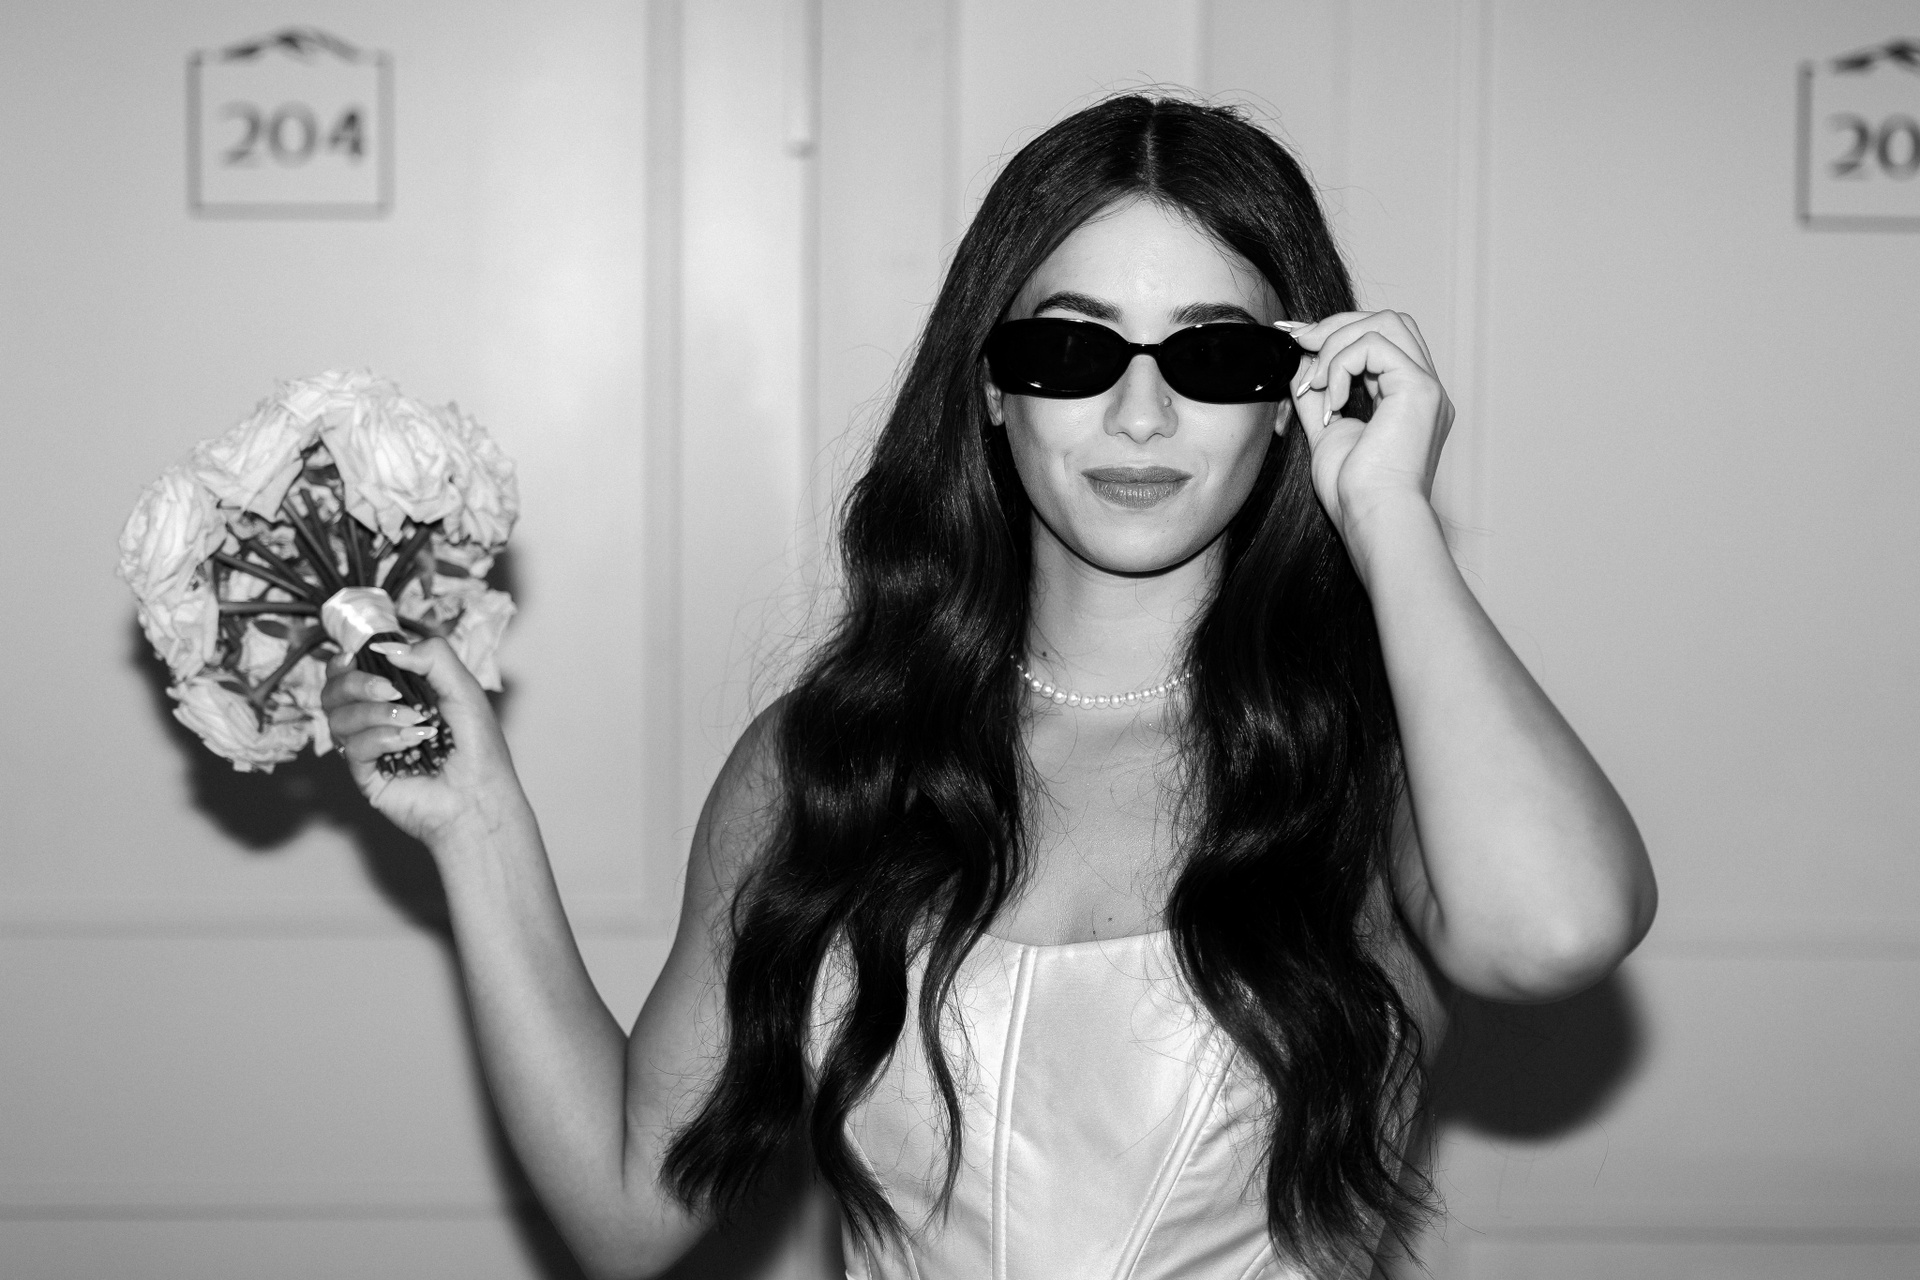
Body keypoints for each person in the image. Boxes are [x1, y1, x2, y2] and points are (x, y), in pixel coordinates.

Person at [323, 95, 1655, 1279]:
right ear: (991, 393)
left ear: (1289, 399)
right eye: (1073, 352)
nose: (1141, 416)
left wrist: (1387, 511)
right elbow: (629, 1217)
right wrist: (476, 824)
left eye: (1215, 357)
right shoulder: (831, 758)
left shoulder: (1382, 765)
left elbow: (1553, 932)